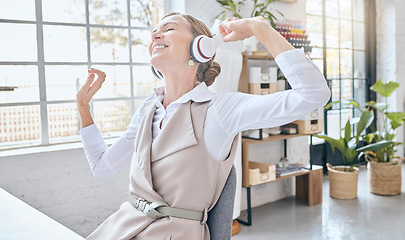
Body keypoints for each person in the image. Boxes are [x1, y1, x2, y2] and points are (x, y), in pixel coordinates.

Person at [77, 12, 330, 240]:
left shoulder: (220, 110)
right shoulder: (148, 110)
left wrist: (258, 27)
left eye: (169, 28)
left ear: (200, 48)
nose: (156, 34)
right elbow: (102, 165)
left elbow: (314, 94)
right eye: (155, 30)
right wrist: (83, 108)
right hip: (125, 226)